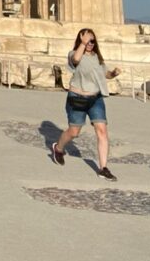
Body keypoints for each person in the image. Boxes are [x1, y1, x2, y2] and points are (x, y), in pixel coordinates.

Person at [50, 28, 122, 181]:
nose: (90, 43)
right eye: (87, 40)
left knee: (102, 131)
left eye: (92, 40)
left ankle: (103, 168)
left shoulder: (97, 58)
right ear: (81, 40)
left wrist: (113, 74)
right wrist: (82, 44)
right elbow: (76, 59)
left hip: (95, 99)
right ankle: (58, 148)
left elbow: (105, 74)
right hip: (77, 98)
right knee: (74, 132)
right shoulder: (74, 54)